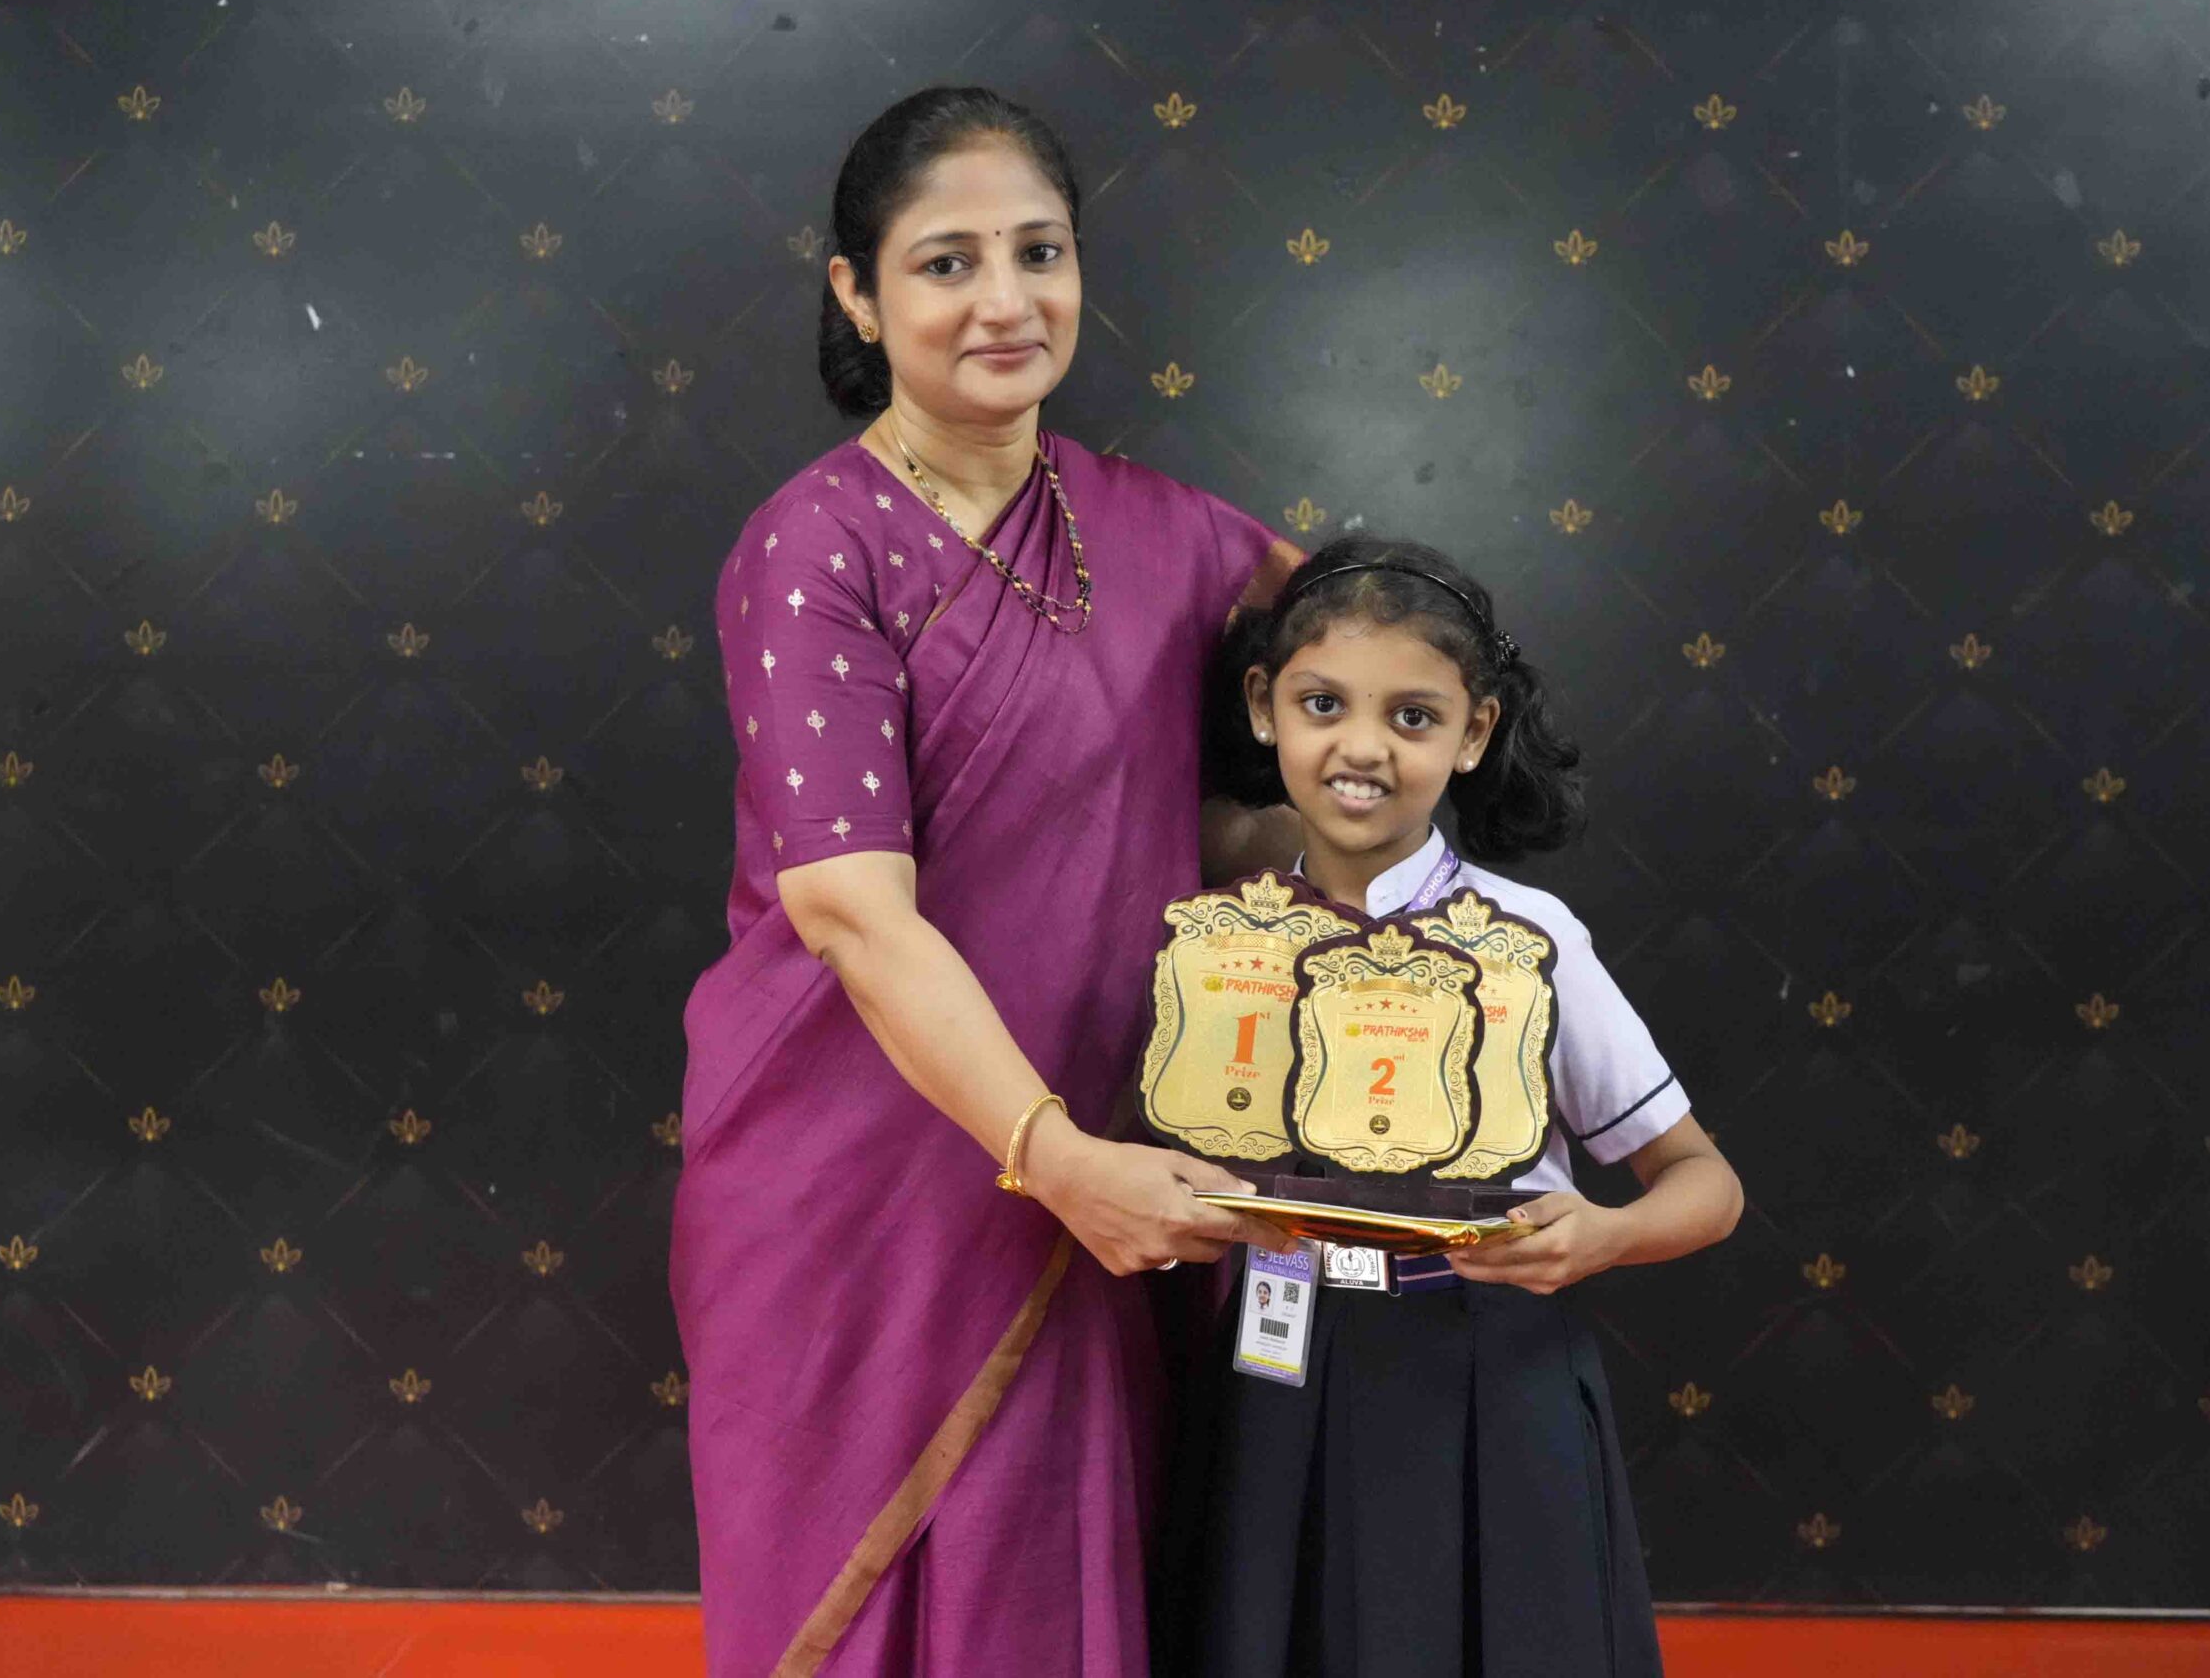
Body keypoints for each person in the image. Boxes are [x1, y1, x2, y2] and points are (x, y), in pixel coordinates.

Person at [669, 86, 1299, 1677]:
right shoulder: (815, 549)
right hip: (866, 1175)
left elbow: (1340, 716)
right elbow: (849, 907)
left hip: (1119, 1161)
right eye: (946, 262)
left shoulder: (1170, 536)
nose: (1005, 300)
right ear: (856, 294)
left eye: (1040, 251)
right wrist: (1052, 1155)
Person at [1160, 537, 1746, 1678]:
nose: (1362, 747)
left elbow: (1706, 1185)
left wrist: (1605, 1235)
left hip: (1491, 1375)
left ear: (1473, 733)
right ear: (1264, 707)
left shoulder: (1527, 942)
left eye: (1414, 717)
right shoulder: (1216, 940)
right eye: (1323, 703)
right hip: (1277, 1364)